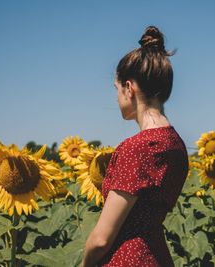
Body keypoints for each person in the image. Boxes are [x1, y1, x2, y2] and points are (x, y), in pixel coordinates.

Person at [82, 26, 189, 267]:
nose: (117, 97)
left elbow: (100, 240)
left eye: (117, 90)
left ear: (129, 88)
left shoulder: (137, 148)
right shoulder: (176, 144)